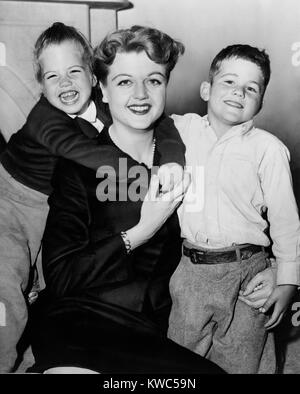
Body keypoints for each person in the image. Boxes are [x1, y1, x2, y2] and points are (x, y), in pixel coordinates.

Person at [29, 25, 225, 374]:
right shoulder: (77, 166)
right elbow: (60, 276)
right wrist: (140, 232)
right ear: (101, 89)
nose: (140, 93)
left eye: (153, 80)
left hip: (150, 331)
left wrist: (271, 271)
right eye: (123, 81)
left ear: (165, 85)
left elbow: (235, 218)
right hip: (79, 321)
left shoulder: (189, 149)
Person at [0, 22, 184, 373]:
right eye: (53, 77)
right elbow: (94, 157)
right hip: (10, 202)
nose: (66, 84)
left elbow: (165, 124)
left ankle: (32, 359)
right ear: (40, 84)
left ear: (91, 75)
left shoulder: (104, 105)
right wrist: (145, 178)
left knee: (38, 292)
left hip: (47, 204)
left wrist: (172, 161)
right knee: (7, 291)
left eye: (74, 71)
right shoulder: (47, 121)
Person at [168, 44, 300, 374]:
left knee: (243, 358)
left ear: (260, 102)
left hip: (248, 272)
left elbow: (286, 220)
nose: (239, 92)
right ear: (206, 89)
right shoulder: (179, 130)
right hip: (192, 269)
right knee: (179, 358)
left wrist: (286, 280)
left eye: (251, 88)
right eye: (229, 82)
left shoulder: (268, 149)